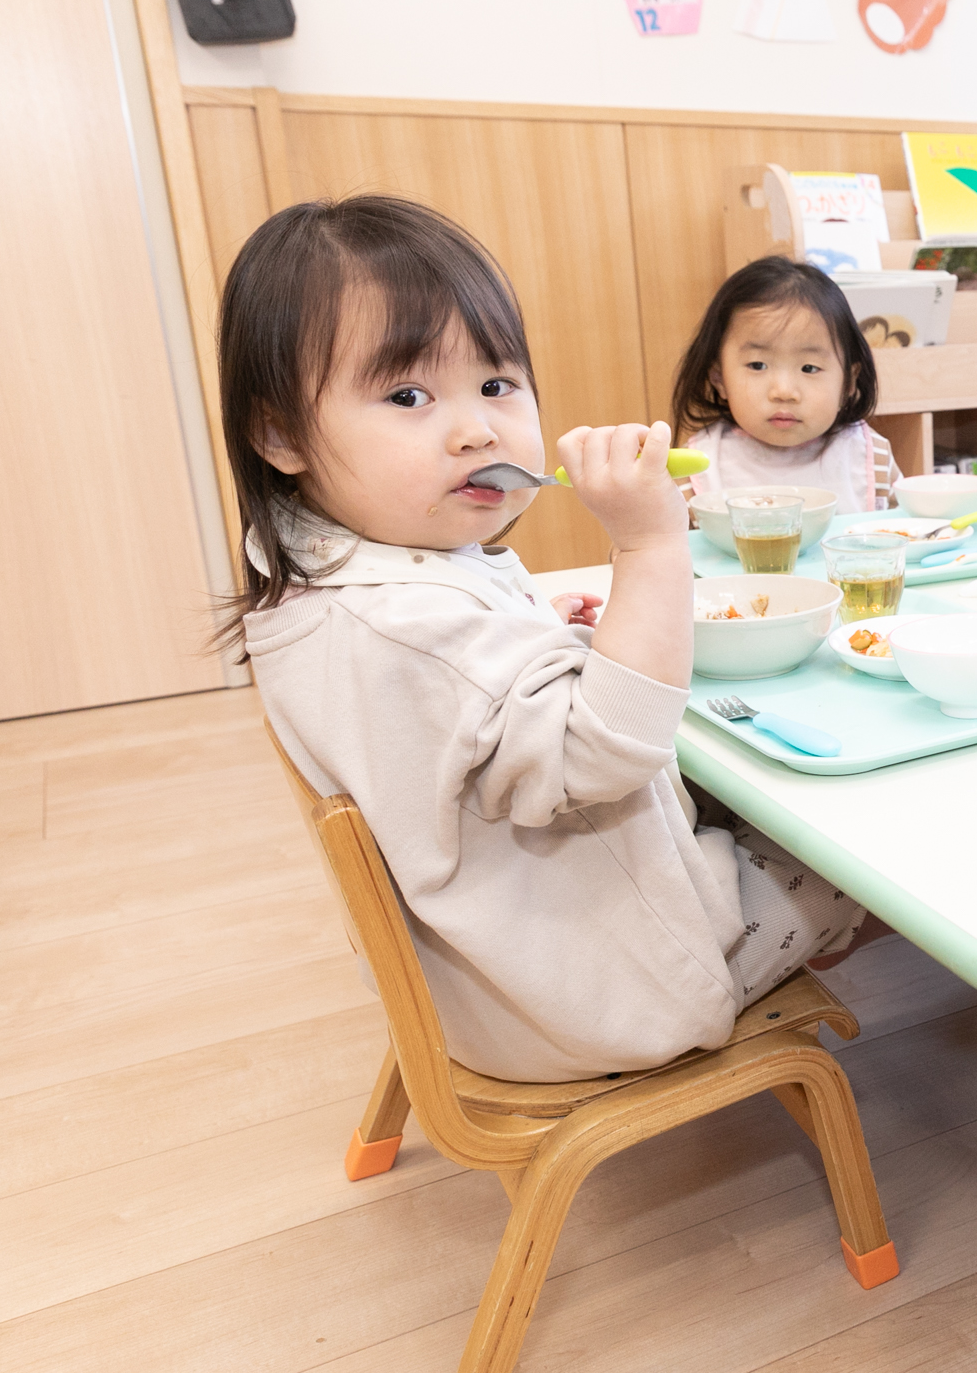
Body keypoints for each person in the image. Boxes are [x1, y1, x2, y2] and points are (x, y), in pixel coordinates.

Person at [224, 195, 870, 1083]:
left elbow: (472, 699)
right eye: (408, 395)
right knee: (852, 852)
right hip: (599, 988)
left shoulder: (341, 571)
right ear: (279, 434)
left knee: (750, 794)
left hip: (489, 970)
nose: (476, 428)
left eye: (496, 385)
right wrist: (649, 544)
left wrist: (543, 629)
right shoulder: (411, 625)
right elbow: (608, 750)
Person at [672, 255, 899, 512]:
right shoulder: (696, 469)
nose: (784, 392)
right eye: (757, 365)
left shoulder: (872, 457)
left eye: (809, 368)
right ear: (719, 378)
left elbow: (908, 536)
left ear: (848, 382)